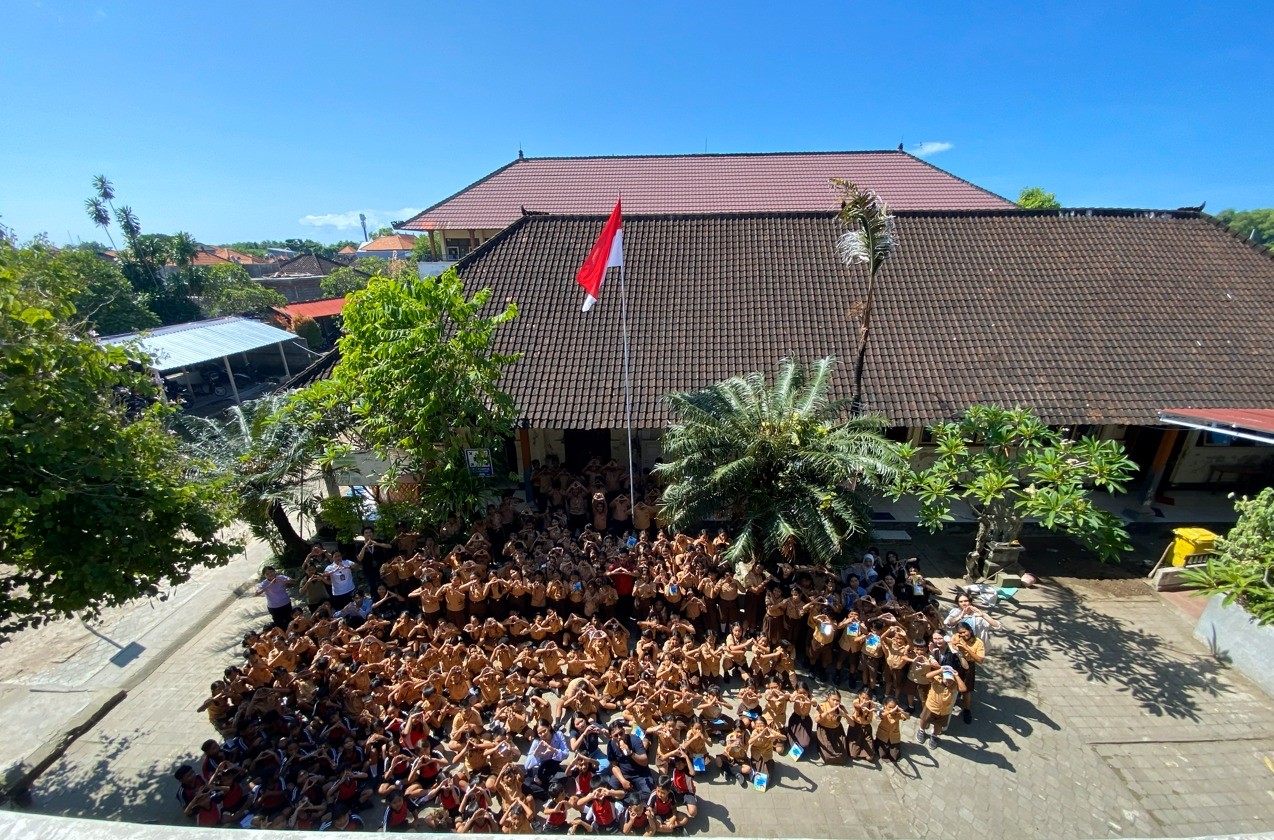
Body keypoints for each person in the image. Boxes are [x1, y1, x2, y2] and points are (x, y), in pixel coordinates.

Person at [916, 665, 966, 747]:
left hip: (944, 711)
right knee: (924, 719)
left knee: (939, 724)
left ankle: (934, 735)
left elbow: (963, 689)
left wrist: (956, 676)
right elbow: (928, 676)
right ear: (942, 676)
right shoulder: (936, 680)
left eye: (950, 680)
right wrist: (940, 670)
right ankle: (921, 730)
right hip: (931, 706)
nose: (948, 682)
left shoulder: (954, 685)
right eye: (946, 680)